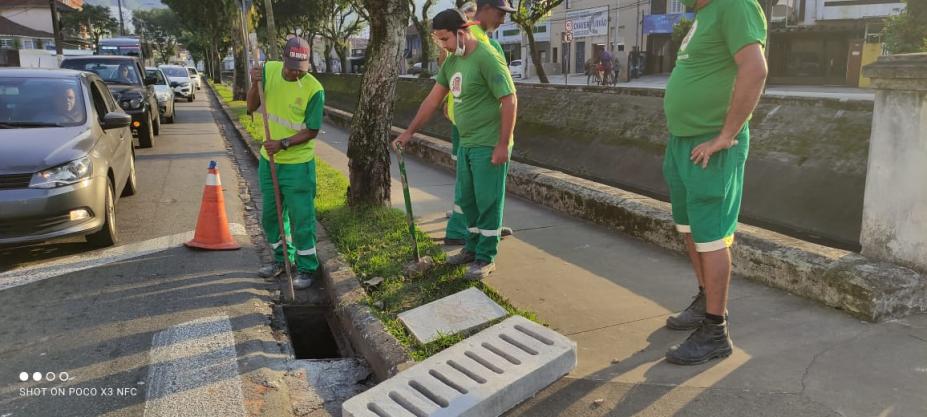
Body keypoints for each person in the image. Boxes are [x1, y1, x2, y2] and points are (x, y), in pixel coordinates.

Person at [661, 0, 767, 365]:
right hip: (683, 142)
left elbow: (755, 70)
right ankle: (705, 297)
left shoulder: (735, 5)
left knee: (711, 237)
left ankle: (715, 329)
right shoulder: (704, 13)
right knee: (690, 228)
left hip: (711, 143)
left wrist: (726, 135)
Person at [393, 8, 517, 280]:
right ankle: (471, 248)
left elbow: (509, 99)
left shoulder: (487, 58)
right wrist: (409, 132)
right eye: (438, 41)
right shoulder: (452, 63)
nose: (443, 46)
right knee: (469, 201)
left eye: (445, 39)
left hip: (488, 143)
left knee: (488, 202)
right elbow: (432, 101)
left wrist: (503, 143)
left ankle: (486, 256)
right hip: (467, 143)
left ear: (462, 33)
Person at [247, 37, 326, 290]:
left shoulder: (314, 89)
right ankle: (282, 259)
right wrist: (255, 82)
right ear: (283, 60)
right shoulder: (267, 70)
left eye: (300, 69)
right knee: (271, 216)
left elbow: (312, 130)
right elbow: (251, 106)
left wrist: (283, 144)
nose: (295, 73)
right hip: (268, 161)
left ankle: (307, 268)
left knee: (302, 218)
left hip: (298, 164)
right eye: (291, 68)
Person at [443, 0, 515, 246]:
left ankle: (476, 236)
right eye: (501, 13)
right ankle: (475, 237)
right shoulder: (480, 43)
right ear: (484, 10)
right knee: (476, 194)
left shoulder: (476, 42)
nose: (504, 19)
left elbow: (507, 97)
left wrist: (504, 141)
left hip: (467, 127)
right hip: (471, 130)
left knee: (472, 192)